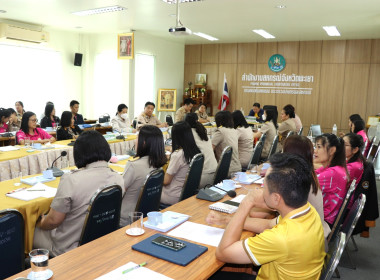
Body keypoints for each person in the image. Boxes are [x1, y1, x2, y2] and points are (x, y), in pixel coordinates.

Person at [211, 153, 325, 280]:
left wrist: (246, 204)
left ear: (276, 198)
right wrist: (226, 220)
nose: (260, 190)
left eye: (264, 186)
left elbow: (223, 252)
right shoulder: (307, 211)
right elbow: (268, 225)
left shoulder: (281, 238)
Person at [33, 130, 124, 257]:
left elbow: (53, 221)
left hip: (69, 247)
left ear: (79, 153)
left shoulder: (71, 180)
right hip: (103, 240)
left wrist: (40, 222)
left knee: (30, 229)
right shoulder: (118, 178)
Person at [120, 125, 167, 226]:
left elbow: (119, 192)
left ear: (144, 142)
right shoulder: (158, 164)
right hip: (147, 214)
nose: (135, 141)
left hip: (127, 217)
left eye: (137, 138)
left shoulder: (133, 166)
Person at [161, 121, 201, 205]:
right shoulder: (195, 151)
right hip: (187, 193)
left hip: (172, 195)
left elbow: (166, 181)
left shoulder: (177, 155)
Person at [314, 133, 349, 228]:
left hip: (324, 222)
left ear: (332, 150)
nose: (315, 151)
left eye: (319, 147)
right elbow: (312, 174)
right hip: (325, 216)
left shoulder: (333, 173)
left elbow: (305, 186)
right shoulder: (334, 168)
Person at [185, 113, 217, 188]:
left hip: (201, 177)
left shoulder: (188, 133)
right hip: (215, 173)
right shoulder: (202, 131)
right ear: (197, 120)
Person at [343, 133, 365, 208]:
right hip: (345, 198)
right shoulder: (357, 160)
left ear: (355, 149)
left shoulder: (352, 167)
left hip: (344, 203)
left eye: (345, 145)